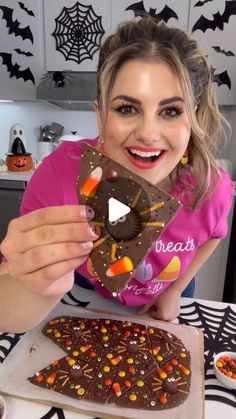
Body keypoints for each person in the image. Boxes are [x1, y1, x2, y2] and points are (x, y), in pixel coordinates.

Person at [0, 17, 233, 333]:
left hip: (159, 297)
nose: (148, 133)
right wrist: (28, 282)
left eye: (171, 111)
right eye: (127, 108)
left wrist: (175, 289)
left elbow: (215, 235)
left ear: (192, 120)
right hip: (82, 291)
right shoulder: (61, 175)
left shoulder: (210, 187)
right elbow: (8, 314)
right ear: (100, 114)